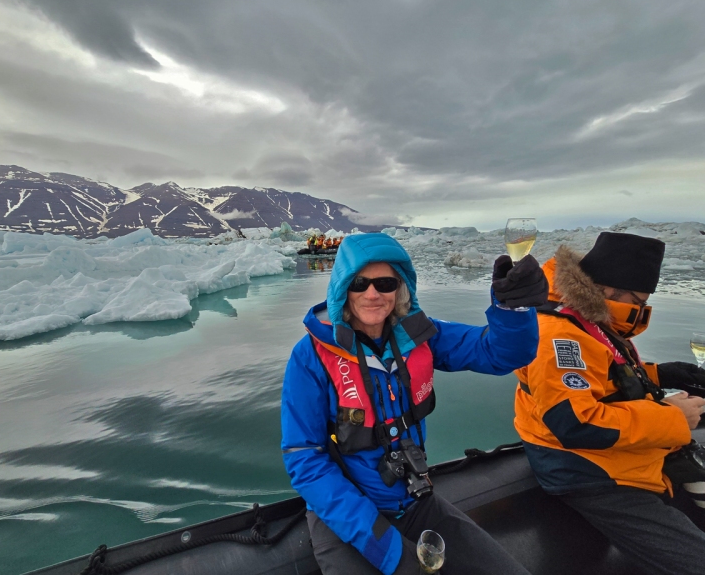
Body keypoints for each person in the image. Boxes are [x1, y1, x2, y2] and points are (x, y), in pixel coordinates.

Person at [281, 232, 548, 574]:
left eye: (386, 282)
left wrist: (514, 308)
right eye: (360, 282)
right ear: (342, 288)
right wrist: (391, 551)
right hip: (346, 518)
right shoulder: (311, 357)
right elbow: (305, 461)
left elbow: (499, 354)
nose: (373, 293)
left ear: (401, 286)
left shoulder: (419, 335)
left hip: (414, 501)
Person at [513, 232, 705, 575]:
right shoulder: (561, 336)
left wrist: (662, 374)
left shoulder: (587, 320)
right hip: (588, 470)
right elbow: (575, 423)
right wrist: (672, 417)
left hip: (621, 455)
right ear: (607, 290)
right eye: (638, 301)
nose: (641, 311)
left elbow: (602, 374)